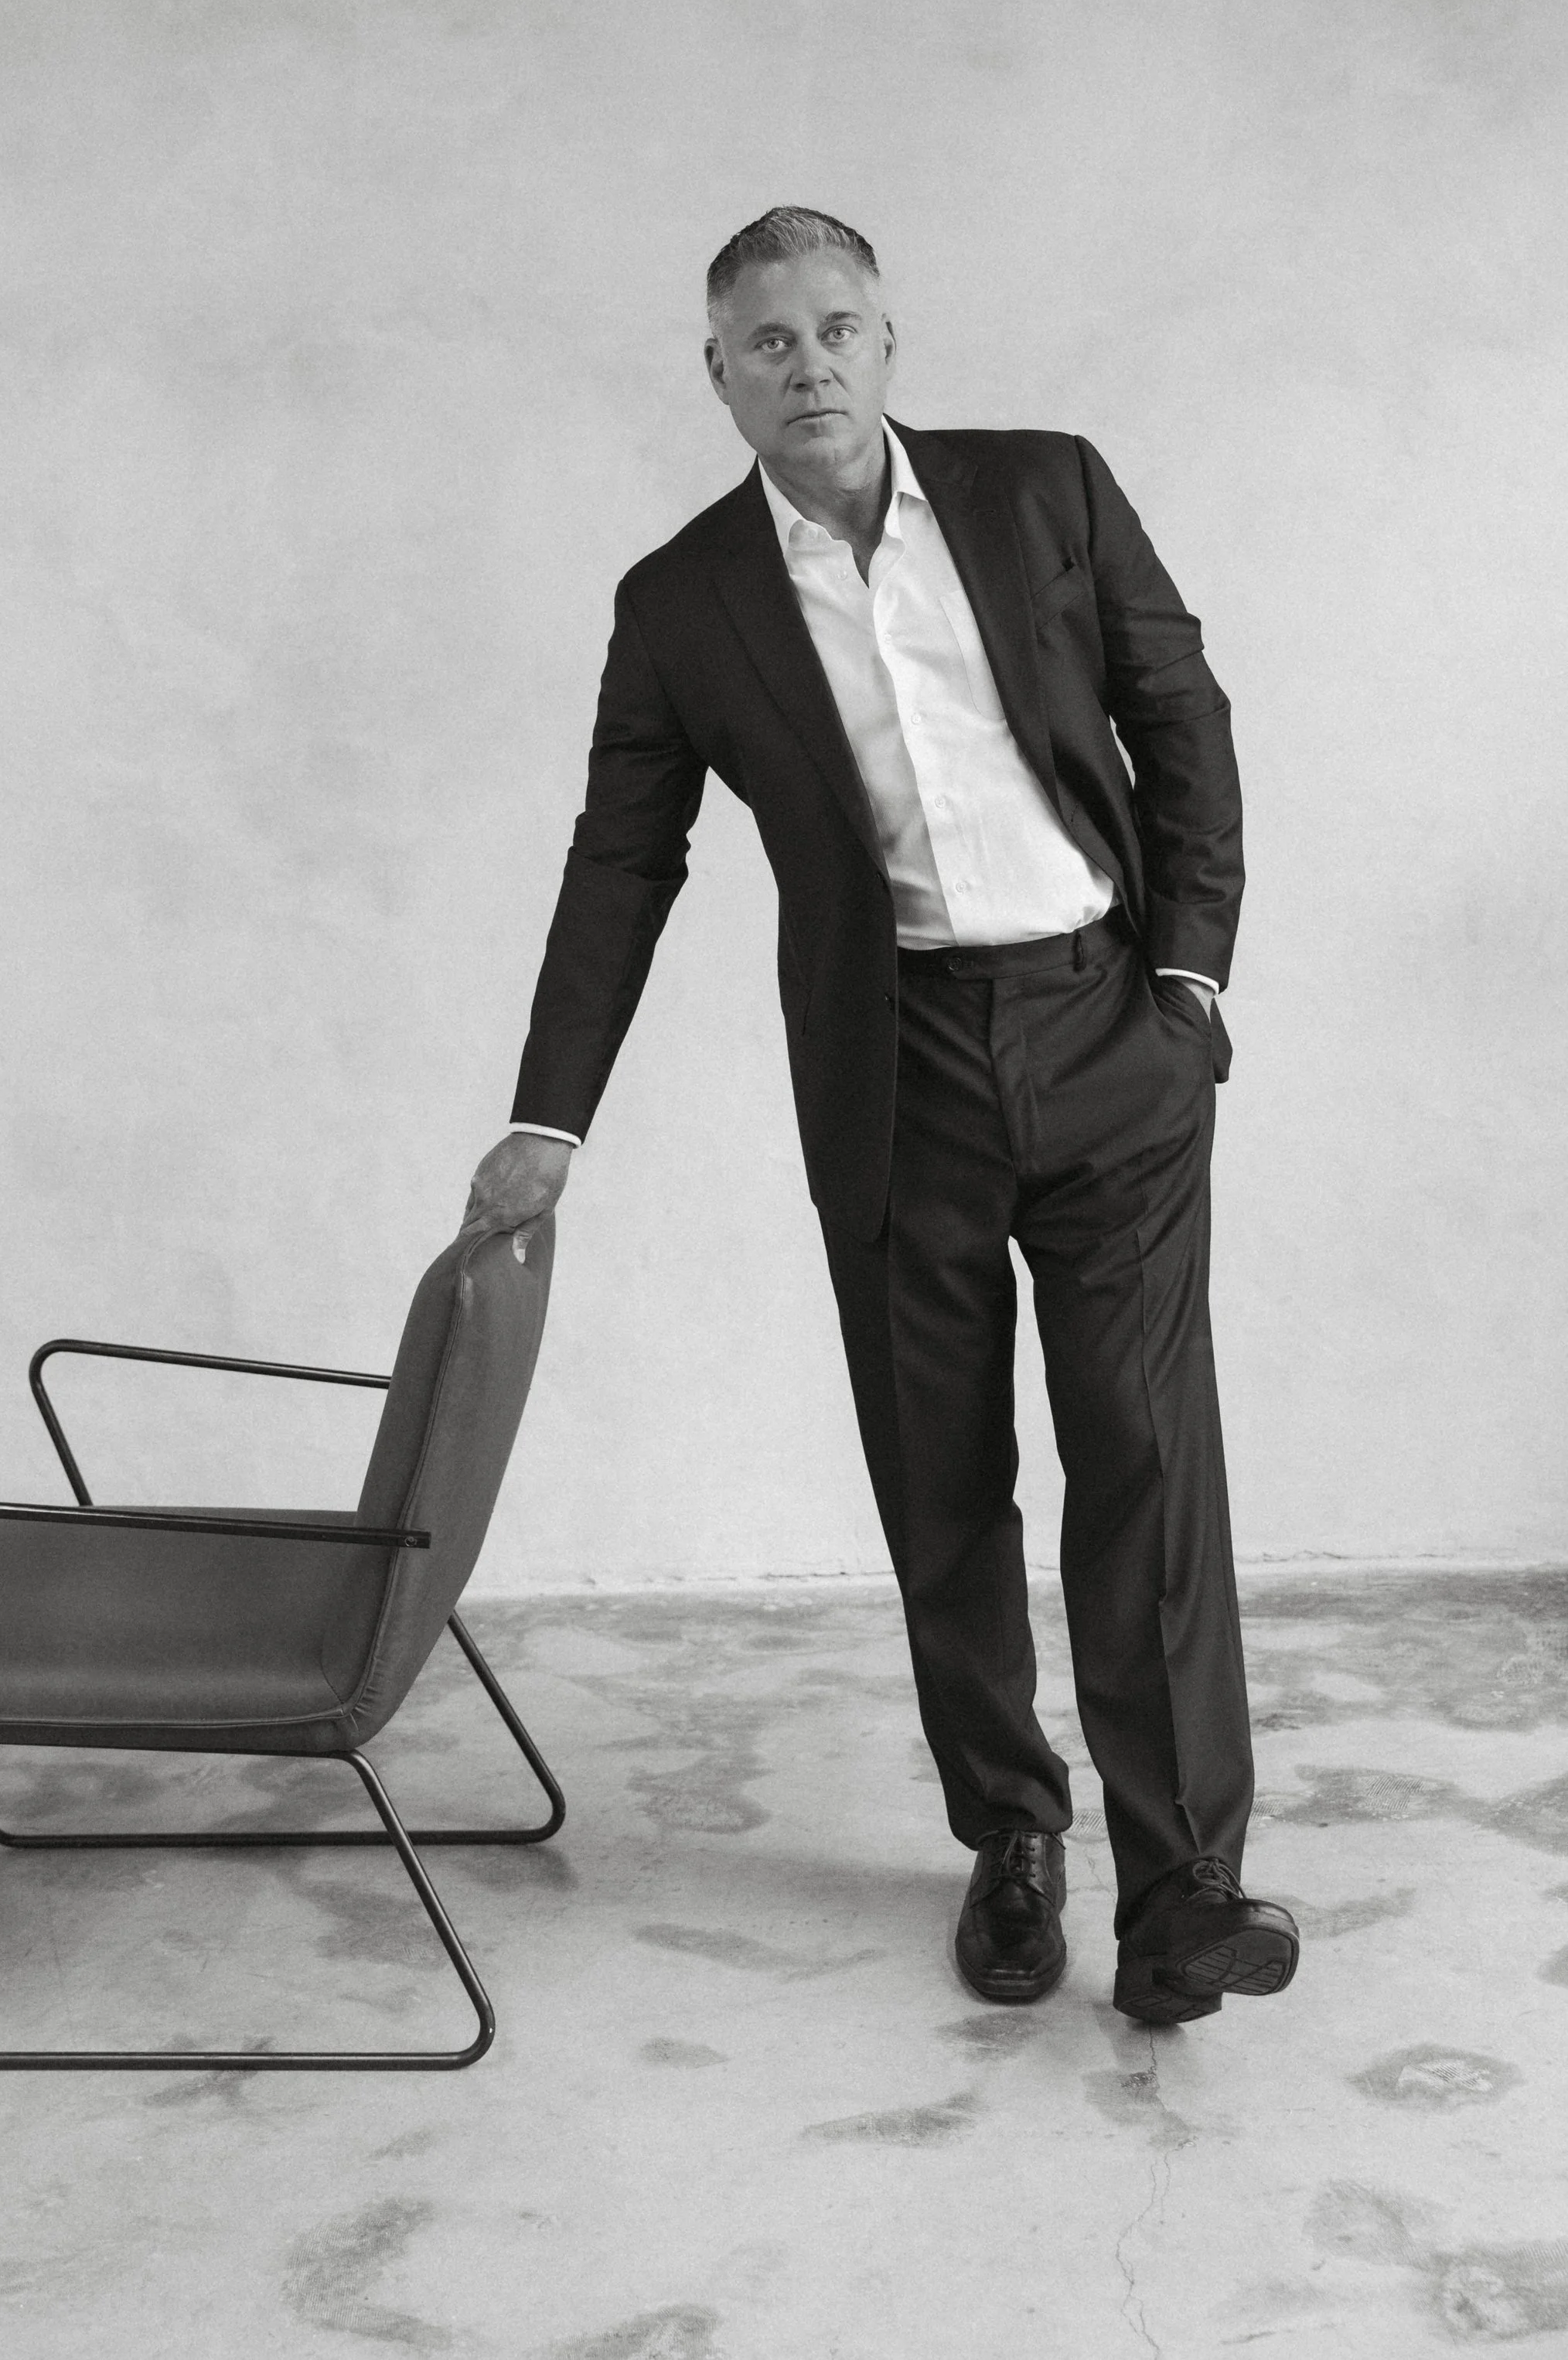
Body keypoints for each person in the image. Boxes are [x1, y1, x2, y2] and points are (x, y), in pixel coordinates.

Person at [464, 206, 1297, 2024]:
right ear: (718, 376)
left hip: (1103, 1031)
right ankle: (1009, 1837)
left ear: (887, 344)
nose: (809, 364)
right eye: (767, 342)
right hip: (893, 1066)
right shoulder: (679, 602)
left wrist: (1191, 983)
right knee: (942, 1480)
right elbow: (622, 862)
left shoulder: (1042, 494)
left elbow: (1180, 711)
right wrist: (549, 1117)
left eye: (837, 328)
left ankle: (1183, 1893)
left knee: (1146, 1463)